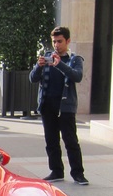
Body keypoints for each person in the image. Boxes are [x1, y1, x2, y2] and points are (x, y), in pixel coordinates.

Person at [29, 26, 88, 185]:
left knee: (71, 141)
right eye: (54, 41)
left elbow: (77, 76)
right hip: (48, 105)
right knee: (51, 140)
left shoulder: (74, 59)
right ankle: (56, 171)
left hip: (65, 107)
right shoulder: (47, 57)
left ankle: (78, 173)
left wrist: (59, 64)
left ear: (68, 41)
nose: (56, 45)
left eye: (60, 41)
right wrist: (38, 66)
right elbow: (33, 79)